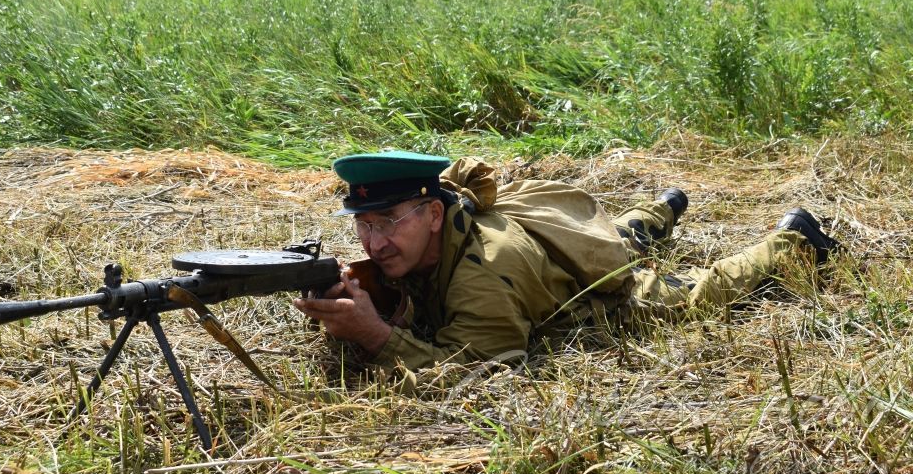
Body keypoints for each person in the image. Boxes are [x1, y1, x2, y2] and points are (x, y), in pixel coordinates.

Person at [293, 150, 842, 372]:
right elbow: (421, 299)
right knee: (614, 238)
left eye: (389, 222)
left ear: (434, 214)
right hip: (542, 243)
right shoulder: (428, 234)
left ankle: (792, 239)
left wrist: (375, 335)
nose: (374, 242)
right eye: (364, 225)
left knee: (689, 292)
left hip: (580, 291)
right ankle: (661, 209)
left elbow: (482, 370)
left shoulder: (484, 278)